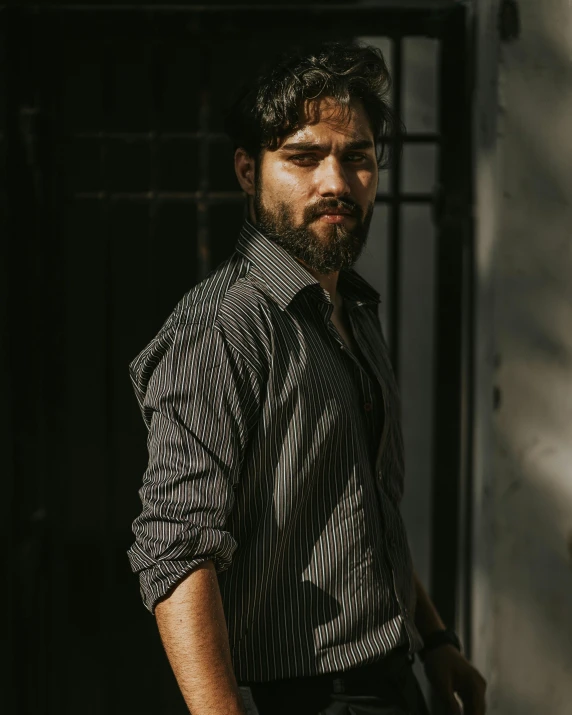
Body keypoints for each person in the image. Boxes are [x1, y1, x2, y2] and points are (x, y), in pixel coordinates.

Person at [127, 41, 487, 715]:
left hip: (394, 674)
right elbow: (175, 555)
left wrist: (435, 636)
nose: (336, 182)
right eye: (302, 156)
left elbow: (355, 505)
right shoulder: (223, 329)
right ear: (246, 169)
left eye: (357, 157)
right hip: (305, 697)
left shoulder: (348, 307)